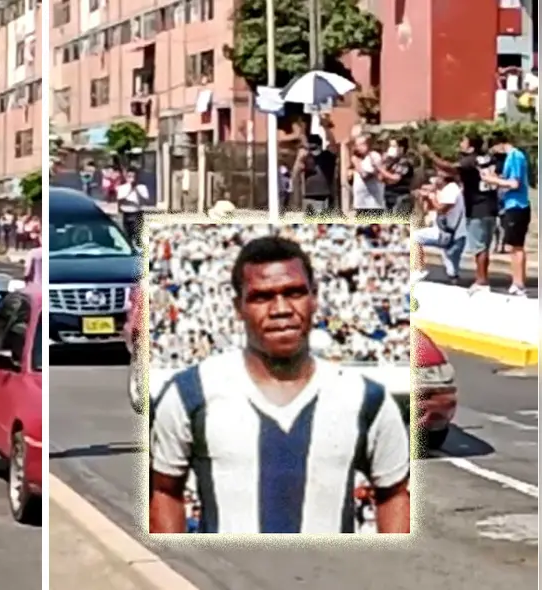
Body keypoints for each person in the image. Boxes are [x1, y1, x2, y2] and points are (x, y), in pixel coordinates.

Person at [148, 235, 410, 534]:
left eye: (294, 293)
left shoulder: (366, 399)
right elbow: (166, 492)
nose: (281, 309)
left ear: (314, 298)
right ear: (238, 306)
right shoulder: (189, 394)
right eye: (262, 297)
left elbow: (393, 495)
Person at [420, 133, 500, 292]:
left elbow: (449, 167)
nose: (461, 144)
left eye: (463, 141)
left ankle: (481, 281)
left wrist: (430, 155)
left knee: (479, 247)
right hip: (491, 205)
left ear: (471, 146)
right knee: (483, 246)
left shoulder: (469, 160)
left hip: (478, 207)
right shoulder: (487, 159)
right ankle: (481, 279)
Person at [480, 130, 532, 297]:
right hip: (512, 205)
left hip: (516, 205)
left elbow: (514, 183)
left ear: (500, 143)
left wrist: (492, 180)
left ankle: (518, 283)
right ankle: (517, 282)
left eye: (494, 148)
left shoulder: (515, 156)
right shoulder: (513, 157)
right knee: (514, 246)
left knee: (515, 247)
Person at [410, 173, 467, 286]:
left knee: (415, 237)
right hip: (446, 231)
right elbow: (430, 209)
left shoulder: (452, 189)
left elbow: (442, 209)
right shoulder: (444, 191)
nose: (434, 180)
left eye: (437, 178)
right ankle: (453, 279)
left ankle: (419, 269)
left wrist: (431, 196)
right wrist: (425, 198)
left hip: (451, 232)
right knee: (452, 271)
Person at [350, 134, 387, 218]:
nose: (358, 147)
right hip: (360, 203)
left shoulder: (373, 156)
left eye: (361, 144)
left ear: (367, 145)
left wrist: (356, 163)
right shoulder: (359, 158)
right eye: (357, 145)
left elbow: (365, 175)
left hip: (372, 204)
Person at [380, 136, 416, 215]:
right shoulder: (391, 163)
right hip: (388, 198)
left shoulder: (404, 162)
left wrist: (380, 169)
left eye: (393, 146)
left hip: (400, 199)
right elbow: (381, 178)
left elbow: (395, 179)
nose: (390, 149)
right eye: (390, 146)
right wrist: (384, 163)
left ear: (401, 148)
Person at [116, 168, 147, 247]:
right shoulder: (122, 187)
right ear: (126, 177)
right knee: (126, 235)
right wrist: (129, 189)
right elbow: (120, 199)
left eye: (133, 177)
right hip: (126, 213)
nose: (131, 179)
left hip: (137, 212)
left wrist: (136, 189)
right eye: (129, 176)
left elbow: (145, 199)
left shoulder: (142, 187)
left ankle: (139, 250)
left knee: (137, 235)